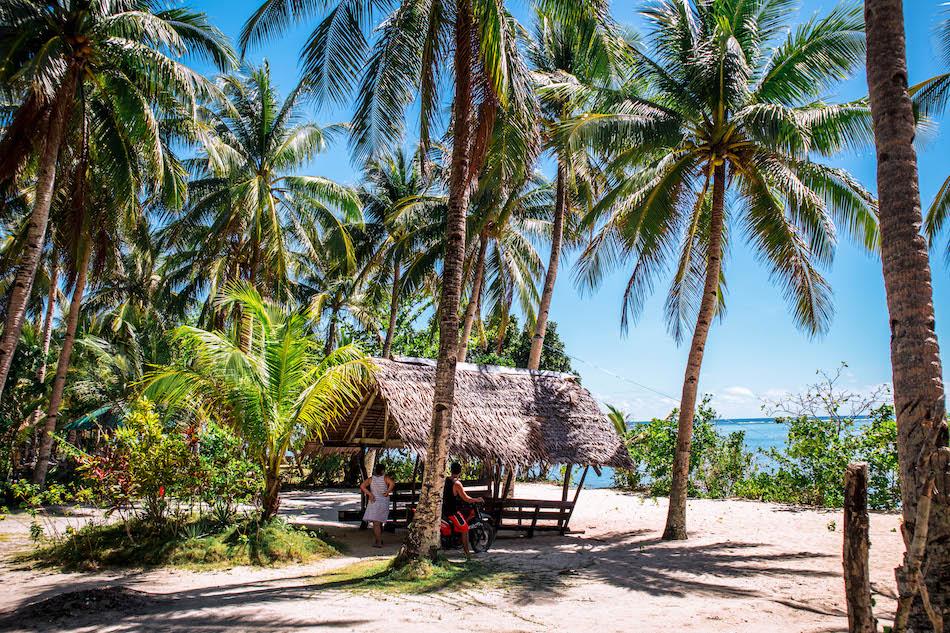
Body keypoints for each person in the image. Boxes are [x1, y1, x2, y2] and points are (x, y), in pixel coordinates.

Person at [442, 462, 484, 556]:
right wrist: (477, 499)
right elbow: (466, 499)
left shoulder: (446, 480)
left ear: (451, 470)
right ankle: (467, 553)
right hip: (452, 512)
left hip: (444, 510)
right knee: (465, 529)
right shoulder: (457, 484)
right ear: (460, 472)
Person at [360, 464, 395, 548]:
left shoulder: (371, 479)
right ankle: (378, 540)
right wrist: (387, 492)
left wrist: (370, 494)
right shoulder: (385, 478)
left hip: (374, 501)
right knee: (379, 522)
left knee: (376, 523)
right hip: (383, 501)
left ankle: (378, 541)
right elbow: (392, 483)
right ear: (382, 470)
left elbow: (362, 486)